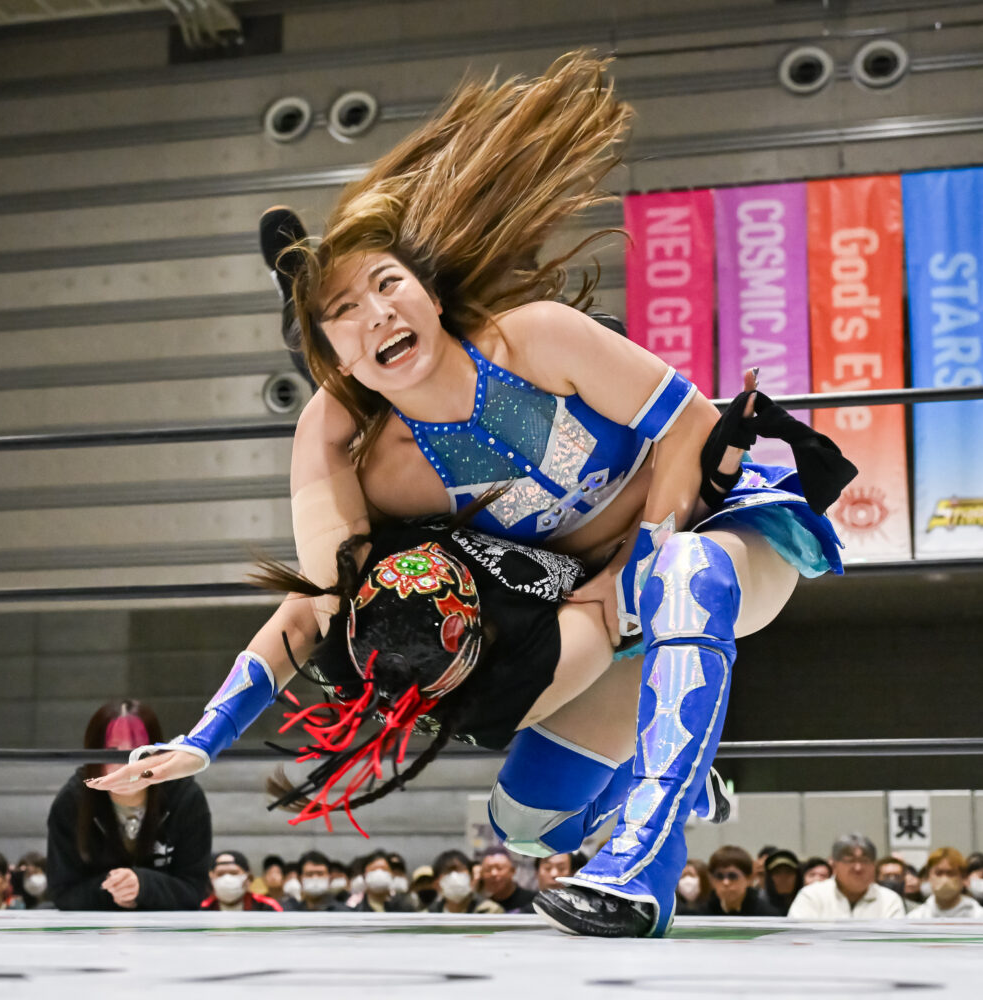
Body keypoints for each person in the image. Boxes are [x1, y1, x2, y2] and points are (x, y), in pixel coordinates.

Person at [85, 52, 855, 941]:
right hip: (599, 618)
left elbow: (689, 428)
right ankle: (677, 771)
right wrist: (203, 738)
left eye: (387, 285)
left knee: (683, 572)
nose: (378, 312)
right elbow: (323, 605)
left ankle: (642, 869)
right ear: (332, 361)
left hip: (716, 536)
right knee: (527, 824)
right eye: (344, 311)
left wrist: (635, 568)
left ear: (427, 293)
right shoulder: (391, 475)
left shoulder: (537, 340)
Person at [47, 700, 210, 911]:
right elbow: (63, 892)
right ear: (93, 754)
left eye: (139, 752)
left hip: (166, 927)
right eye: (112, 751)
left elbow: (194, 890)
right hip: (97, 927)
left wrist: (144, 886)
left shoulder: (185, 797)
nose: (126, 765)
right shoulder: (72, 801)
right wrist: (114, 889)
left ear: (158, 752)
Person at [787, 834, 905, 920]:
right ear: (834, 865)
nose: (858, 867)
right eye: (850, 860)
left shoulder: (890, 900)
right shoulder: (811, 896)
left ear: (874, 865)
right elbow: (799, 939)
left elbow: (895, 943)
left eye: (865, 860)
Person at [907, 848, 983, 920]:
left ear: (963, 878)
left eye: (951, 873)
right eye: (938, 873)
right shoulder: (916, 917)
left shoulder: (981, 916)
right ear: (928, 877)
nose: (944, 879)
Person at [703, 846, 778, 916]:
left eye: (732, 876)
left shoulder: (767, 912)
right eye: (720, 876)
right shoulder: (703, 911)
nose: (725, 882)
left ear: (749, 879)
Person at [201, 851, 282, 912]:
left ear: (248, 878)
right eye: (221, 874)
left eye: (233, 873)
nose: (227, 878)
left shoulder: (266, 907)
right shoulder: (203, 909)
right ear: (211, 878)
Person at [427, 850, 503, 914]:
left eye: (459, 869)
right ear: (437, 882)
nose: (454, 876)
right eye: (447, 871)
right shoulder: (429, 915)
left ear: (471, 875)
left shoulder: (490, 911)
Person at [479, 846, 536, 913]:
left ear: (512, 870)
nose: (493, 874)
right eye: (488, 869)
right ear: (481, 874)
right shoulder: (481, 906)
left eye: (499, 868)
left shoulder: (534, 902)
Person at [761, 849, 803, 916]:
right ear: (769, 877)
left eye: (788, 872)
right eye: (777, 872)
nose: (783, 877)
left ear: (797, 876)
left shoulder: (806, 903)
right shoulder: (759, 905)